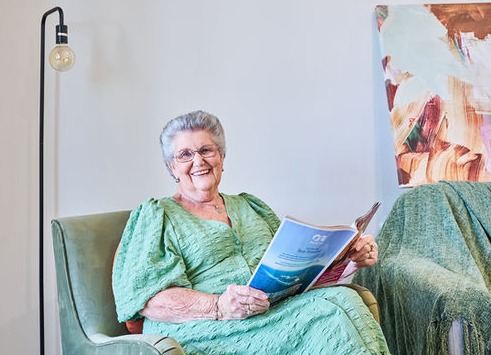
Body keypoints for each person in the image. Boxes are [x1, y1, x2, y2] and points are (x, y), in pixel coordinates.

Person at [112, 110, 389, 354]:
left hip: (271, 312)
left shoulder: (250, 205)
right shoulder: (157, 214)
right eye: (185, 154)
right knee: (327, 316)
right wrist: (219, 306)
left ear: (221, 157)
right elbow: (146, 300)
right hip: (207, 329)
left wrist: (348, 258)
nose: (198, 161)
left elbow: (294, 271)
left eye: (207, 150)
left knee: (346, 299)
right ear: (172, 167)